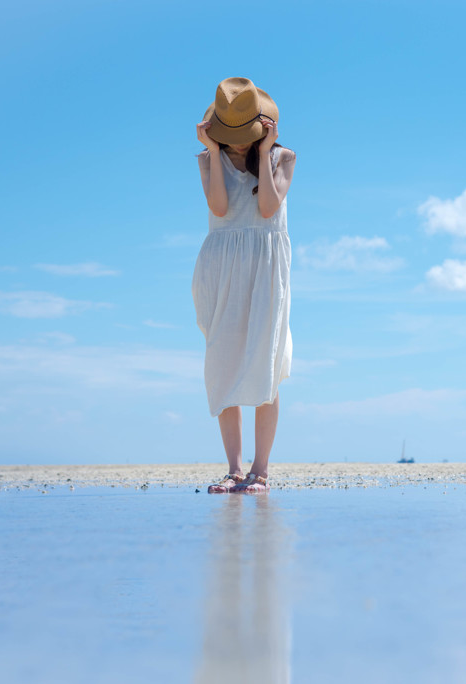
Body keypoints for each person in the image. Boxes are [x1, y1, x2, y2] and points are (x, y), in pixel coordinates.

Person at [192, 77, 296, 494]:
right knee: (224, 362)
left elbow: (268, 209)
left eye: (242, 136)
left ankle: (261, 470)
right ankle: (234, 468)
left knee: (265, 361)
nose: (237, 143)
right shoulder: (208, 158)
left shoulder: (283, 158)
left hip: (266, 265)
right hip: (220, 266)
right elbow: (219, 206)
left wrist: (266, 153)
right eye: (228, 135)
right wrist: (216, 153)